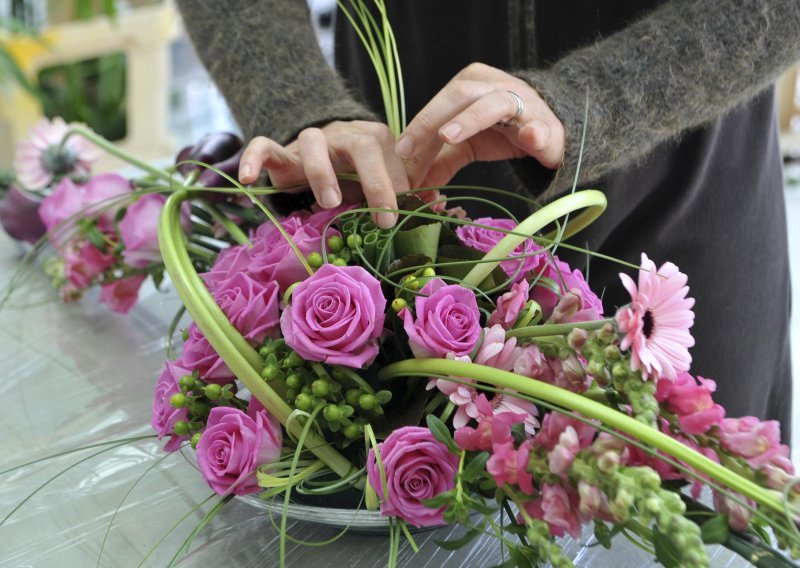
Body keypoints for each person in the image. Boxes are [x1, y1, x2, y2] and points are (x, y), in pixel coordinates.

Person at [176, 0, 800, 440]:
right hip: (397, 167)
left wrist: (596, 98)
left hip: (686, 170)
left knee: (691, 498)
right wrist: (298, 106)